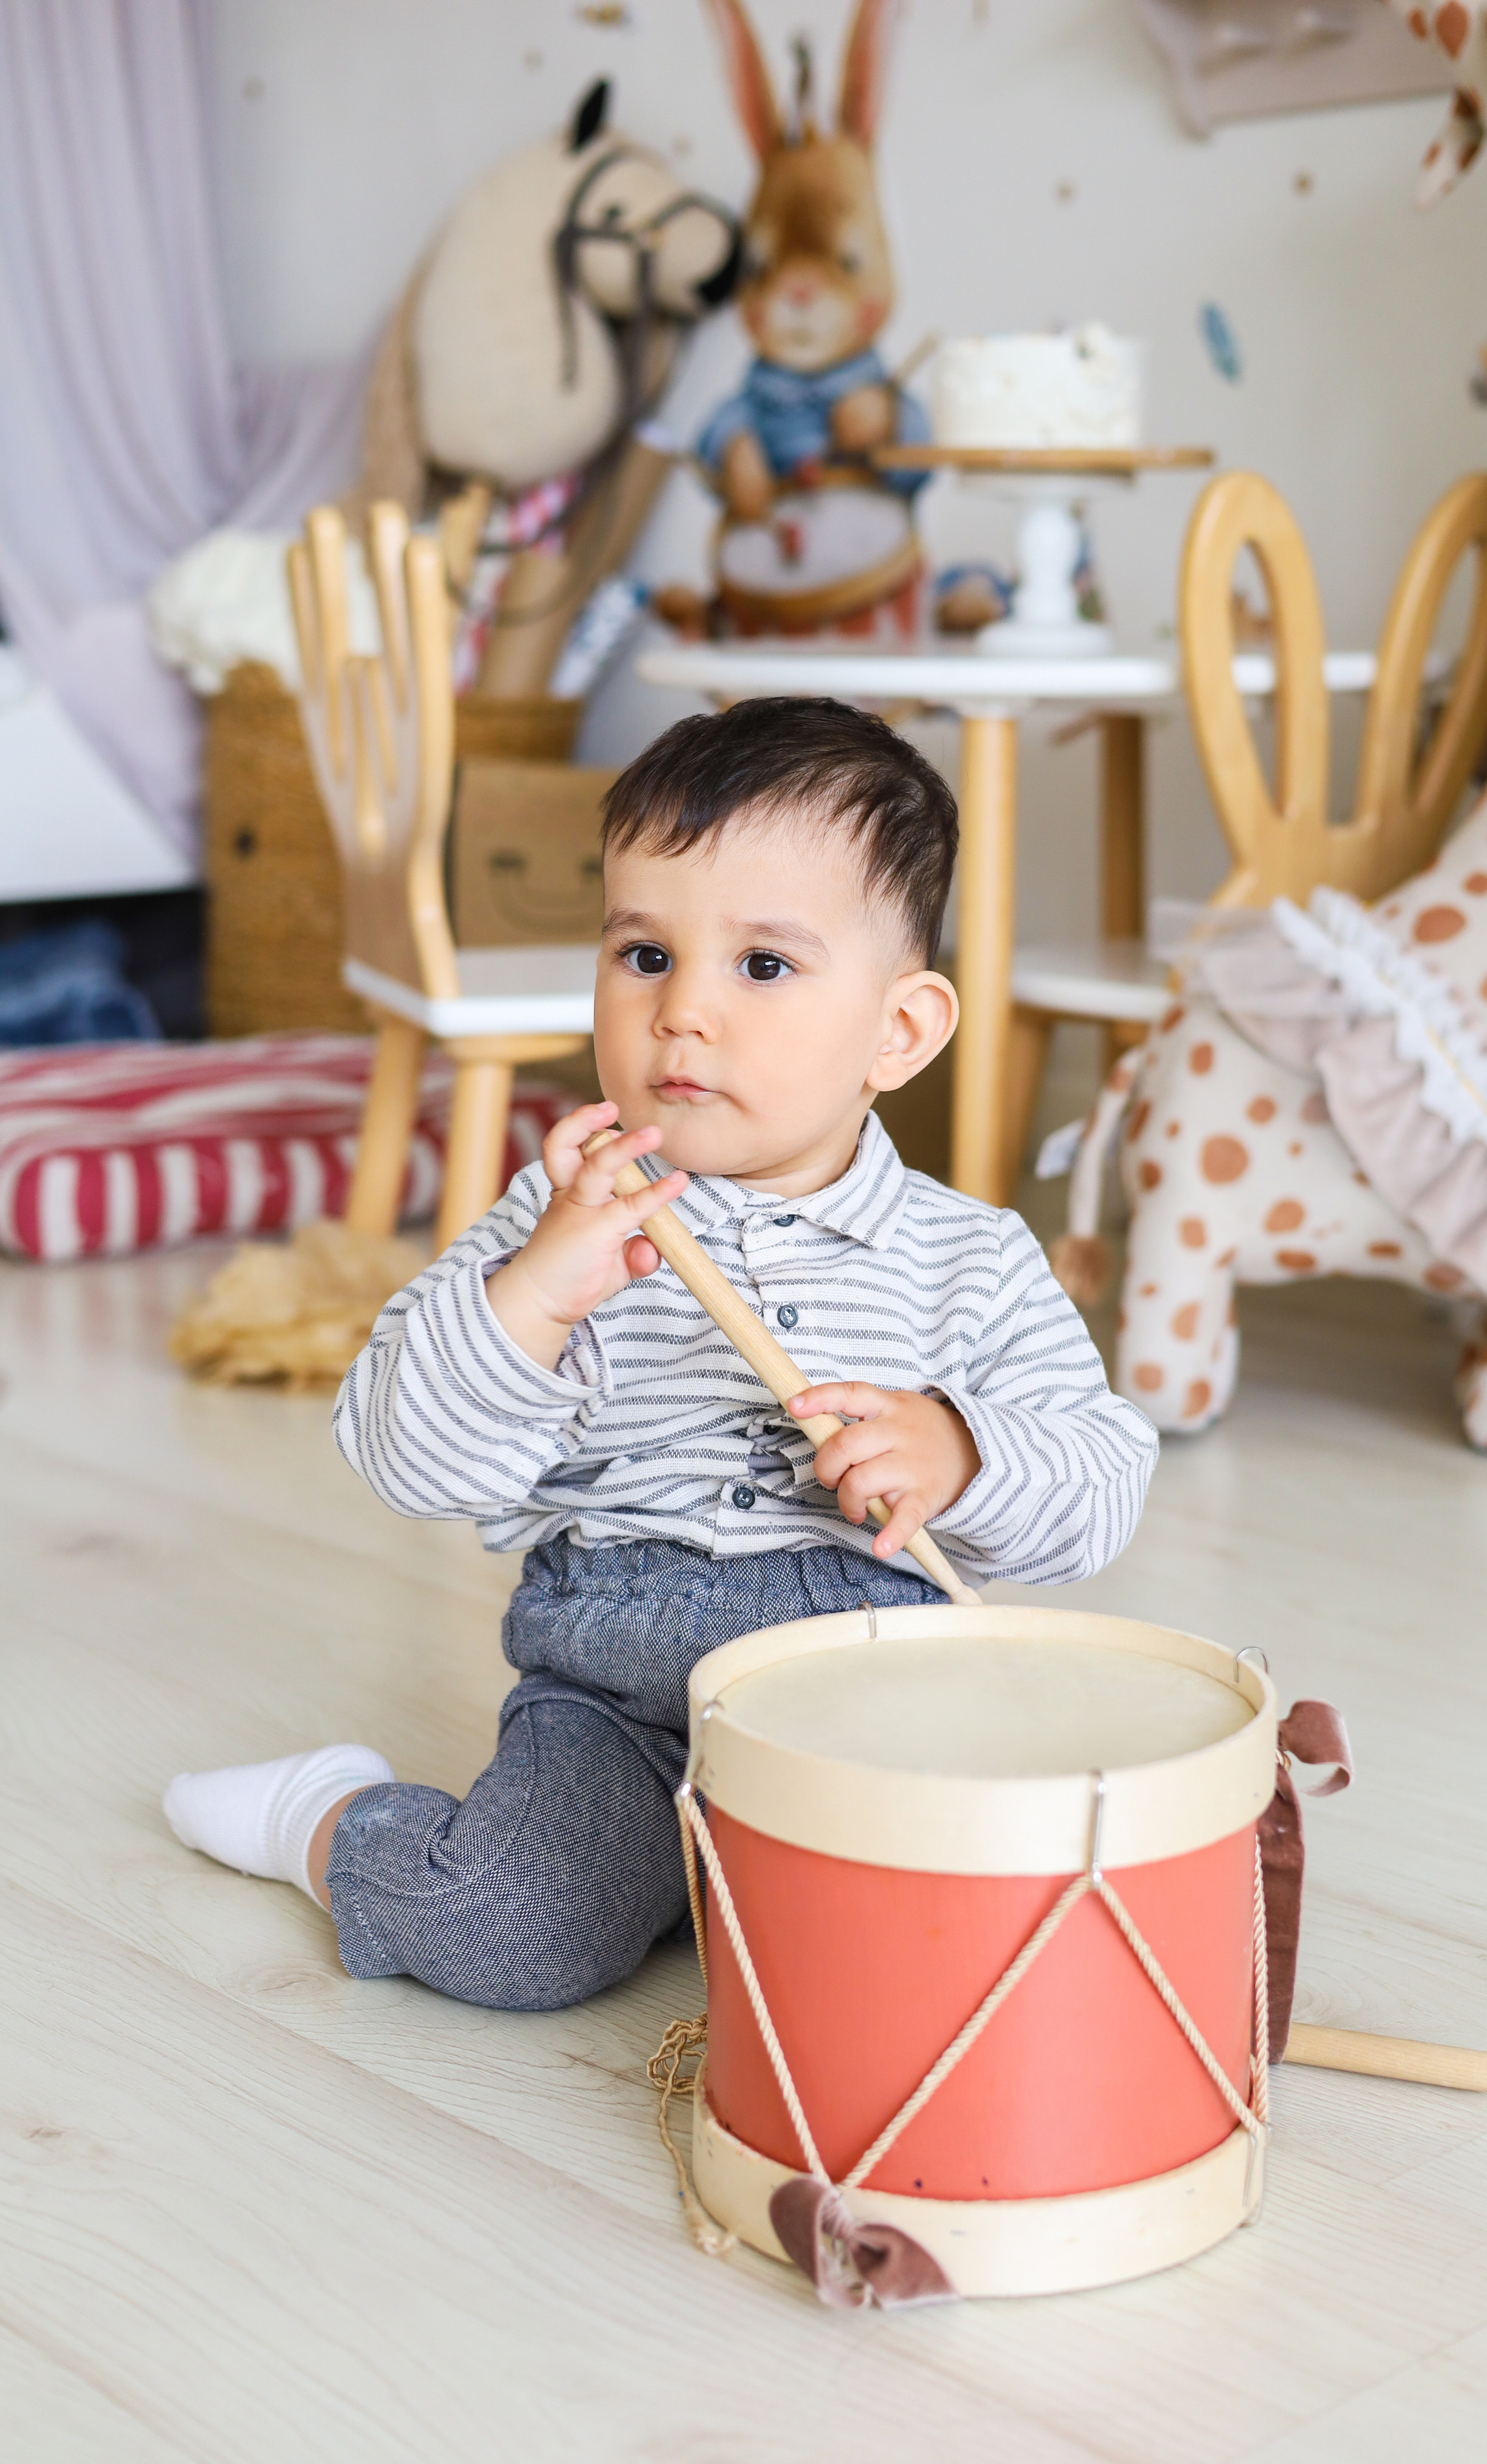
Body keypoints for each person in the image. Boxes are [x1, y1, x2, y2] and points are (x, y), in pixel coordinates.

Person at [163, 698, 1159, 2011]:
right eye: (642, 953)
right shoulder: (561, 1226)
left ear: (897, 1032)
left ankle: (720, 1874)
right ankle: (333, 1821)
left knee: (976, 1942)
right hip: (616, 1701)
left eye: (760, 967)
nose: (681, 1011)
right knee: (514, 1928)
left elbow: (1097, 1485)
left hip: (873, 1705)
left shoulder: (967, 1258)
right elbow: (404, 1457)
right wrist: (532, 1303)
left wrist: (966, 1453)